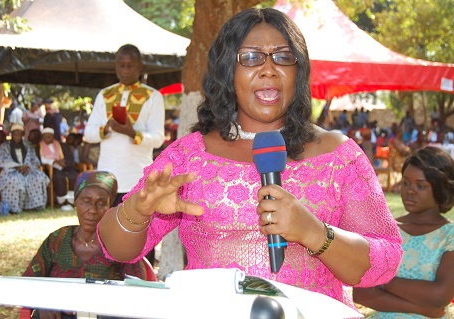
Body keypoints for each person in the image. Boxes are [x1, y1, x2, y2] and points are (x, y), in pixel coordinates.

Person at [97, 8, 403, 308]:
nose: (269, 69)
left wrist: (314, 233)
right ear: (228, 71)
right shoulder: (190, 155)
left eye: (283, 57)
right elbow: (115, 249)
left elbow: (385, 261)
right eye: (251, 57)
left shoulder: (339, 155)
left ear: (298, 72)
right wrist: (137, 211)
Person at [23, 171, 150, 319]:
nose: (92, 210)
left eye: (101, 203)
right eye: (86, 201)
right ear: (76, 202)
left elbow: (140, 293)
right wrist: (43, 302)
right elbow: (27, 284)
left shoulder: (120, 244)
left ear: (110, 207)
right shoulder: (56, 240)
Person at [353, 146, 454, 318]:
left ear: (440, 188)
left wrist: (383, 281)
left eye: (421, 186)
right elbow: (362, 294)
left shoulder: (448, 236)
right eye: (405, 182)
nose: (409, 190)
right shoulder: (386, 229)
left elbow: (439, 296)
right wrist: (420, 308)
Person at [84, 44, 165, 206]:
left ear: (140, 67)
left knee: (136, 229)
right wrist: (106, 128)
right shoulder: (105, 94)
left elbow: (158, 139)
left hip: (138, 176)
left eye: (130, 66)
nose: (125, 70)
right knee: (106, 228)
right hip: (107, 176)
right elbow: (89, 134)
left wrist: (132, 133)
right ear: (116, 66)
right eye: (121, 66)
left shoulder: (153, 96)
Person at [0, 124, 49, 214]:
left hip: (28, 169)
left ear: (22, 135)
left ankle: (35, 205)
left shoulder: (28, 146)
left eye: (19, 134)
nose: (17, 137)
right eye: (15, 134)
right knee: (14, 180)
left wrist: (26, 166)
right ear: (11, 135)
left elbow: (35, 160)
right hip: (11, 171)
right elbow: (0, 160)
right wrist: (16, 166)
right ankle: (14, 208)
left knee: (38, 178)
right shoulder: (4, 146)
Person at [39, 127, 79, 211]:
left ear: (53, 136)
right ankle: (62, 202)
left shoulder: (62, 145)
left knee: (74, 176)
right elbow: (41, 160)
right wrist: (54, 162)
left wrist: (64, 163)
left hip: (65, 167)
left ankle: (71, 202)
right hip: (51, 168)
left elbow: (69, 158)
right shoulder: (40, 146)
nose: (47, 139)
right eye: (45, 137)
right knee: (58, 178)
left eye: (49, 136)